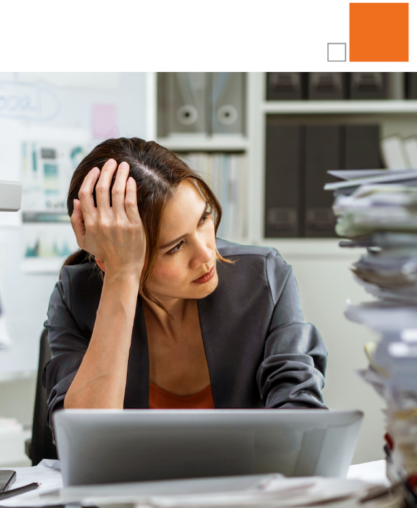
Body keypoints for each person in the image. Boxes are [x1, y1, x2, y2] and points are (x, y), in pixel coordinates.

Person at [43, 137, 327, 435]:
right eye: (175, 246)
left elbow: (302, 420)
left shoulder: (264, 278)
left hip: (244, 481)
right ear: (110, 259)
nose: (206, 254)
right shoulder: (75, 297)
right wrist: (121, 276)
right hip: (134, 483)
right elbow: (84, 441)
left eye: (203, 219)